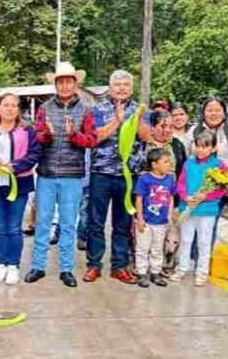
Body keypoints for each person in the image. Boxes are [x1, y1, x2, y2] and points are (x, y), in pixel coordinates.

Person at [27, 62, 97, 287]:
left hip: (72, 175)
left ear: (76, 84)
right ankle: (38, 266)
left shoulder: (86, 109)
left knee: (68, 224)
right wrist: (46, 134)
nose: (65, 85)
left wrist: (74, 135)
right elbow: (37, 138)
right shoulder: (44, 108)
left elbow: (92, 140)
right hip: (46, 173)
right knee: (43, 222)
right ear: (55, 84)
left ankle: (66, 269)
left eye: (69, 81)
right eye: (61, 81)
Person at [84, 69, 145, 285]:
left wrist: (138, 119)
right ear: (110, 88)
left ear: (131, 88)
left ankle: (119, 266)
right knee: (96, 221)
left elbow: (147, 136)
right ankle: (94, 264)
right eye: (117, 85)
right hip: (101, 172)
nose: (121, 88)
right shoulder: (97, 109)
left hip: (128, 175)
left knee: (123, 223)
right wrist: (118, 121)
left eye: (125, 85)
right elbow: (96, 137)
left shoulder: (140, 109)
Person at [0, 93, 41, 286]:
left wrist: (17, 166)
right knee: (0, 226)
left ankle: (13, 265)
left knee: (14, 227)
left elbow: (35, 153)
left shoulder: (26, 131)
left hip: (19, 184)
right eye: (6, 105)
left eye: (14, 105)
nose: (10, 108)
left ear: (18, 109)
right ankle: (2, 263)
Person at [171, 131, 228, 286]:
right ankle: (181, 268)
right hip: (188, 207)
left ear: (213, 148)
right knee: (186, 240)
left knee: (204, 241)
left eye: (205, 146)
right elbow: (180, 184)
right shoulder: (188, 163)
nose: (200, 150)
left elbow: (222, 189)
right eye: (198, 146)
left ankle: (202, 271)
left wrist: (206, 196)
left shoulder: (219, 165)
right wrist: (185, 197)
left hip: (207, 210)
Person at [133, 148, 177, 288]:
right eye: (165, 162)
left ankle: (155, 272)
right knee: (142, 247)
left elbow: (171, 197)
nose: (169, 164)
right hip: (146, 221)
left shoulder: (170, 179)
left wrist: (169, 215)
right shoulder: (144, 179)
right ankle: (141, 272)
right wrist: (140, 218)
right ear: (154, 164)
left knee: (157, 248)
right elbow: (139, 199)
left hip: (161, 222)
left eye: (169, 162)